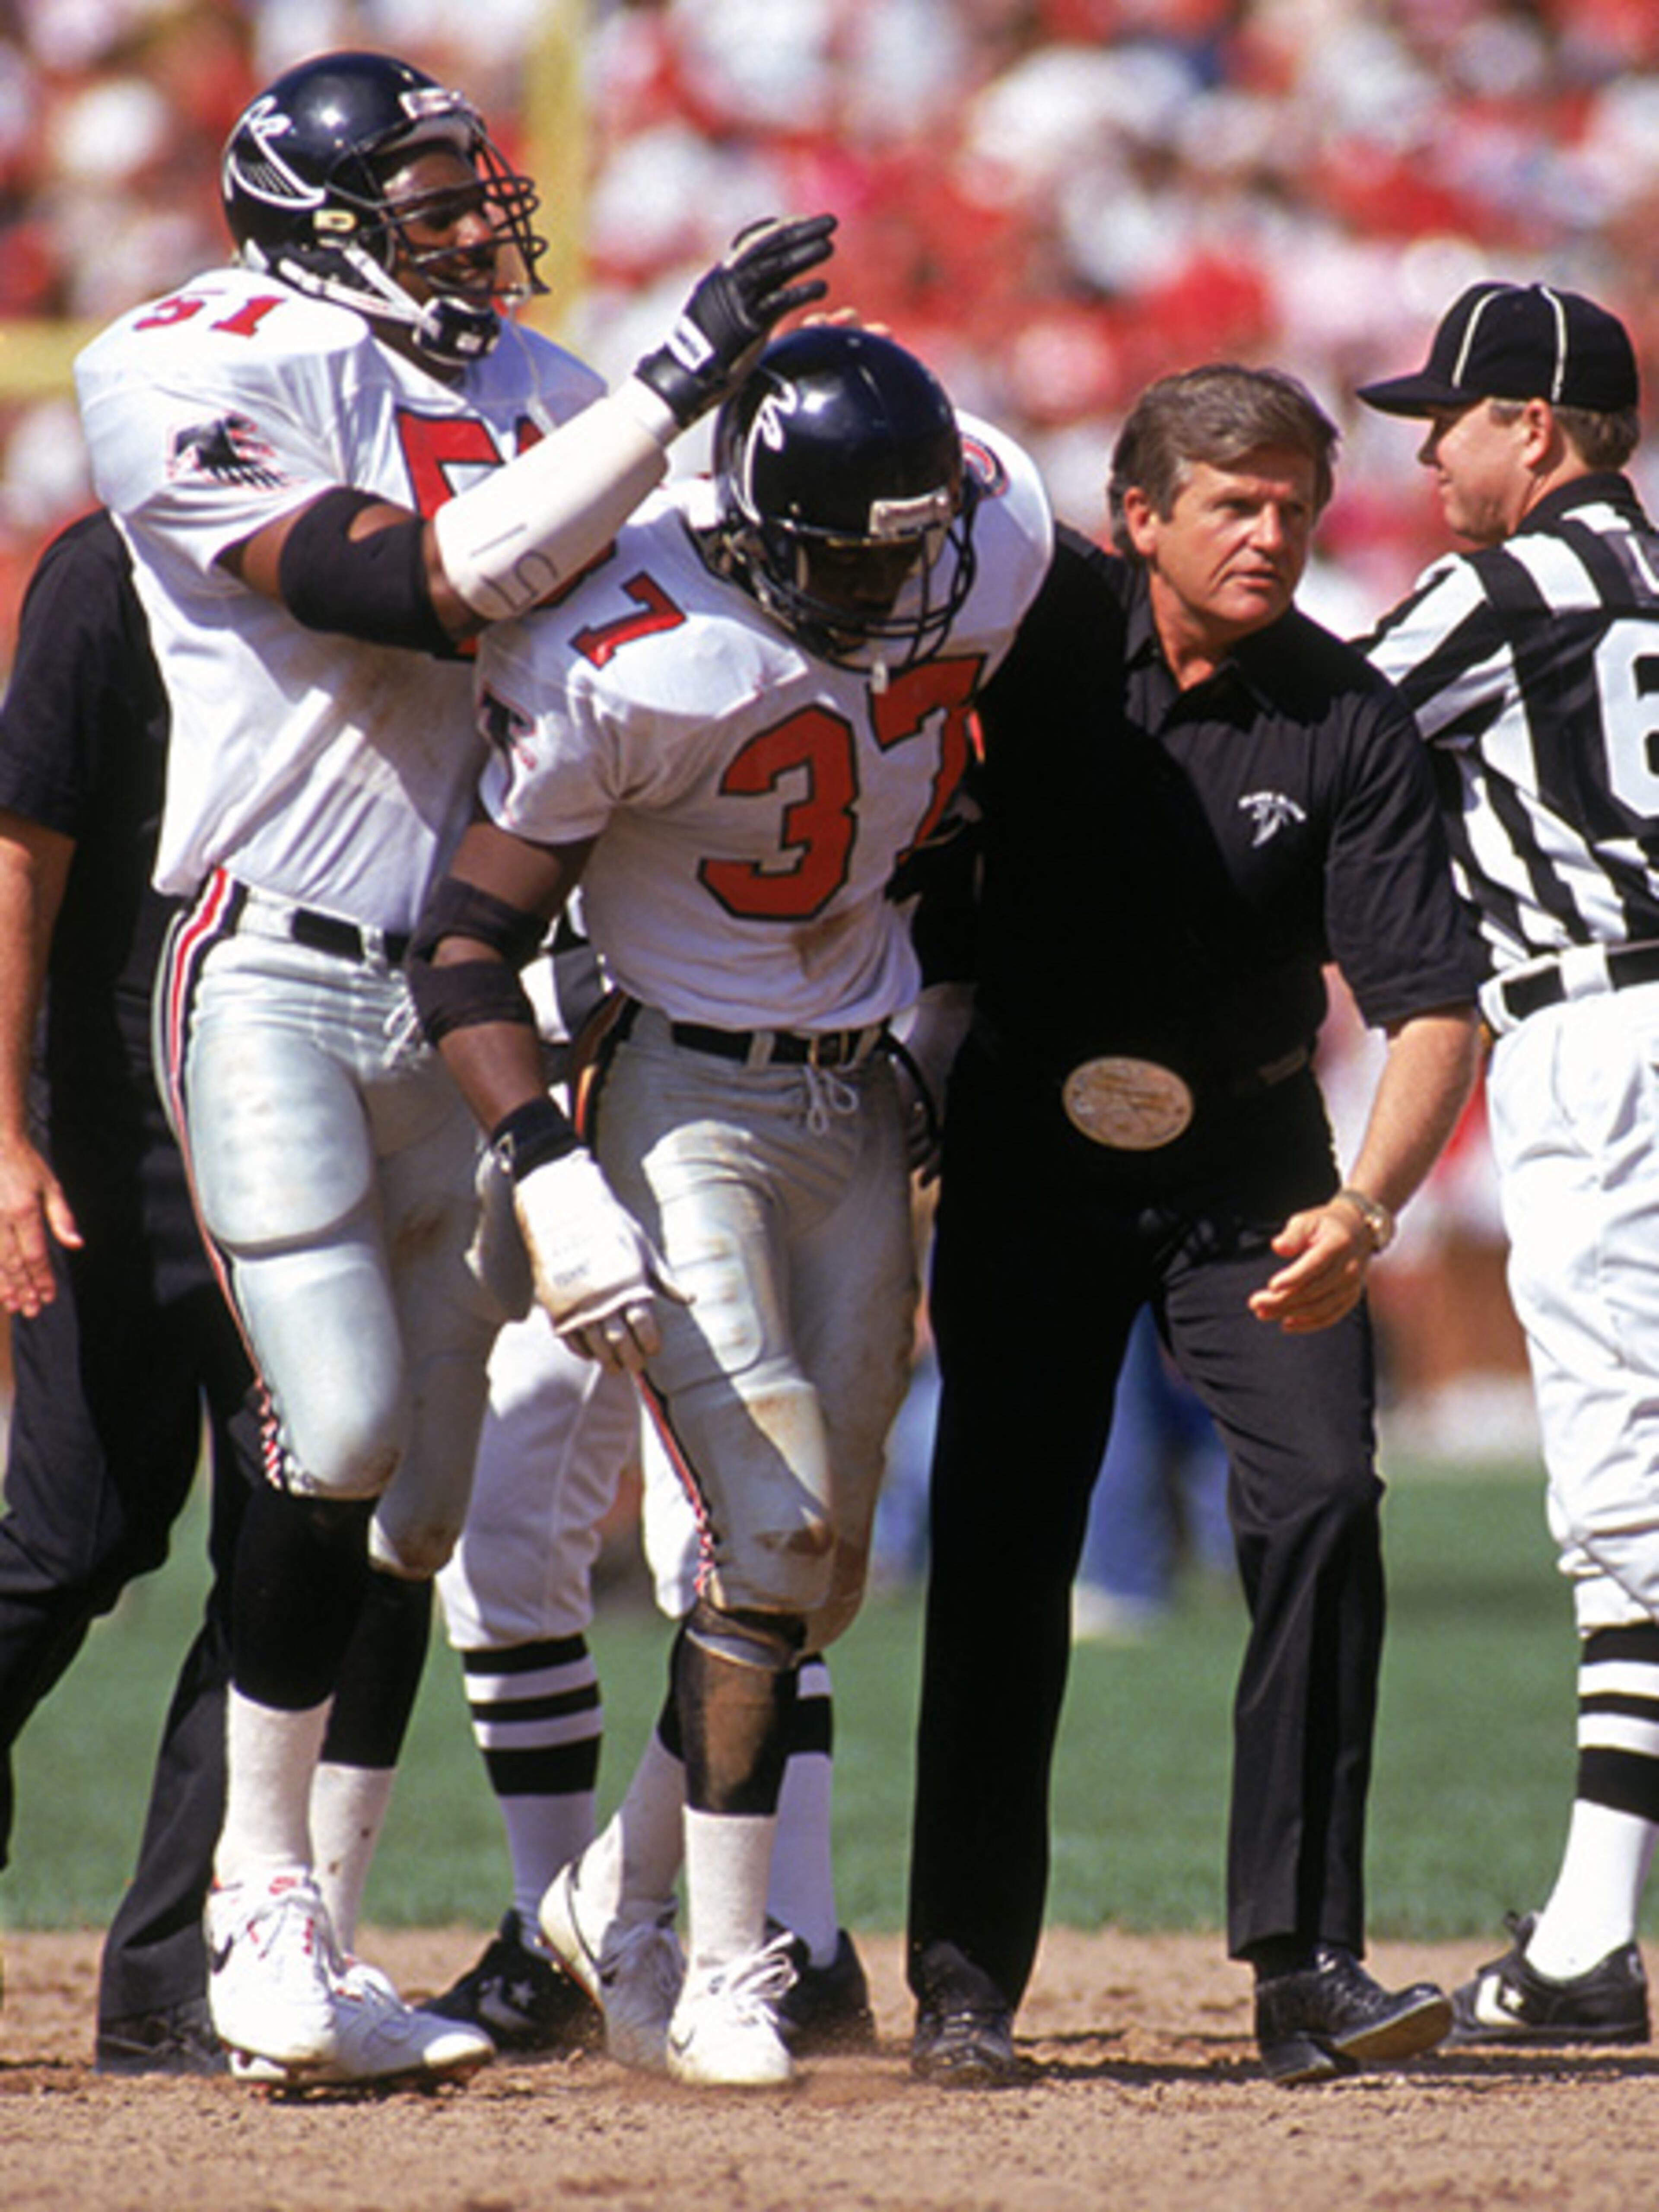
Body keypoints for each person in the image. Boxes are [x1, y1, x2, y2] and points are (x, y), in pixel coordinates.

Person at [71, 45, 834, 2089]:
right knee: (321, 1424)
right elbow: (421, 583)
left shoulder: (552, 393)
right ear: (315, 222)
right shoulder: (181, 358)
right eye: (424, 196)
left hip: (467, 991)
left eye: (468, 184)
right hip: (274, 962)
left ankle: (319, 1938)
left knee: (409, 1506)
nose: (477, 220)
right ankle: (259, 1910)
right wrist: (678, 380)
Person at [408, 321, 1052, 2087]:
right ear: (761, 529)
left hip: (859, 1086)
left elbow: (963, 813)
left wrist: (934, 1025)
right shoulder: (634, 646)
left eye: (911, 542)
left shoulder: (991, 526)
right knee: (759, 1542)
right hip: (681, 1092)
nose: (895, 580)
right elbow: (461, 944)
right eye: (852, 552)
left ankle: (604, 1904)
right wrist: (550, 1171)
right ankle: (723, 1964)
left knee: (815, 1581)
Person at [903, 362, 1483, 2088]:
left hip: (1254, 1166)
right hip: (1025, 1139)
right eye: (1235, 502)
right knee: (1002, 1540)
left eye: (1298, 504)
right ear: (1136, 515)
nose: (1275, 533)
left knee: (1323, 1498)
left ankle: (1306, 1964)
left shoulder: (1349, 715)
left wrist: (1366, 1204)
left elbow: (1432, 1001)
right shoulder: (1033, 650)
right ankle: (961, 1981)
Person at [1358, 280, 1659, 2047]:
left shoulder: (1500, 584)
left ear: (1534, 429)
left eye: (1450, 416)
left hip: (1597, 1038)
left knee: (1626, 1501)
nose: (1427, 446)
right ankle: (1581, 1932)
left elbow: (1327, 720)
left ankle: (1585, 1949)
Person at [422, 931, 875, 2059]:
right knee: (502, 1540)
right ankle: (565, 1940)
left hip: (707, 1115)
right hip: (543, 1137)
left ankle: (797, 1938)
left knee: (739, 1549)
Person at [0, 509, 255, 2078]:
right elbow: (19, 858)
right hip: (122, 1110)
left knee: (313, 1533)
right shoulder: (116, 570)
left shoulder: (408, 542)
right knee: (75, 1533)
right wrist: (6, 1134)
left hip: (325, 1098)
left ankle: (182, 1976)